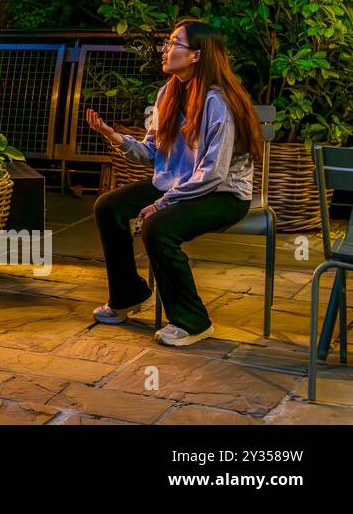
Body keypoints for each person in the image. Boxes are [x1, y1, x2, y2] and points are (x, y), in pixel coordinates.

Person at [86, 20, 263, 346]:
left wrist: (164, 203)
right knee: (107, 207)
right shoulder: (168, 92)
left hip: (222, 193)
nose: (166, 50)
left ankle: (193, 321)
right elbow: (152, 152)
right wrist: (116, 138)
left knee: (158, 227)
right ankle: (127, 296)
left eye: (173, 43)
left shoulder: (217, 101)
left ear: (196, 55)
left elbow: (213, 172)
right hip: (179, 183)